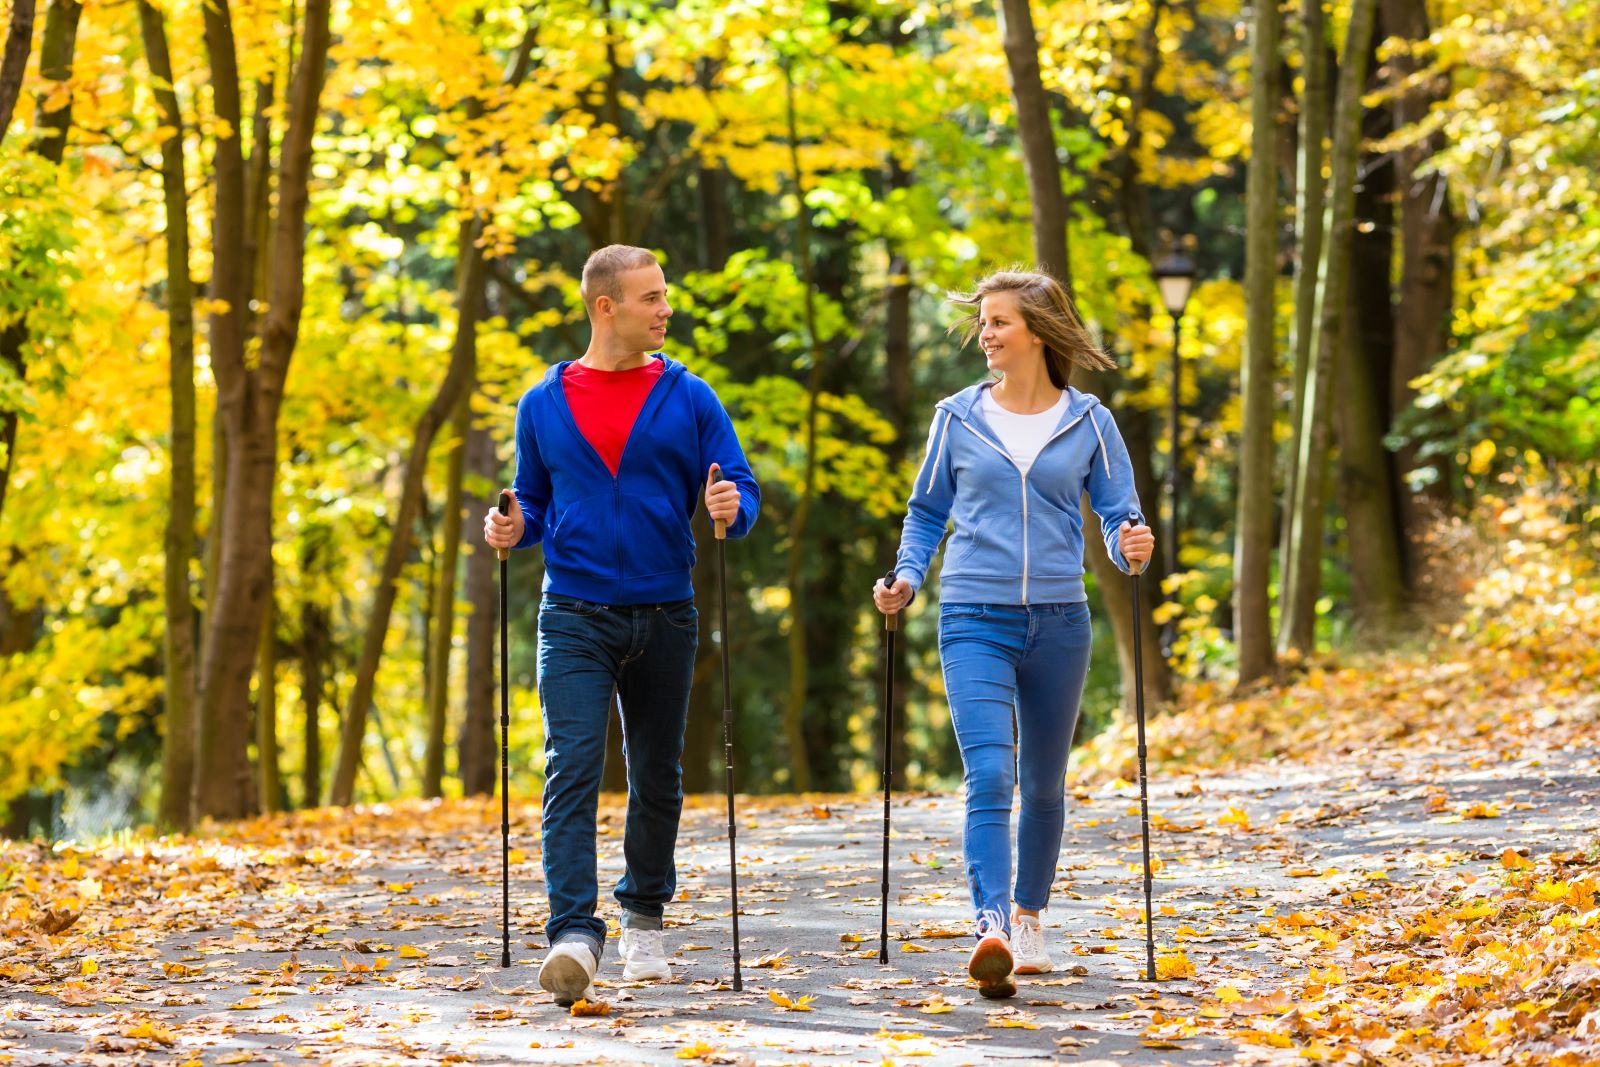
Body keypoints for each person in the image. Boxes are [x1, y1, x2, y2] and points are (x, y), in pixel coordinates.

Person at [484, 244, 760, 1007]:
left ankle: (643, 913)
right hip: (572, 610)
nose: (665, 308)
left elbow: (738, 482)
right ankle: (574, 931)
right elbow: (533, 501)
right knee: (570, 765)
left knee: (657, 772)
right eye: (650, 298)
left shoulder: (691, 395)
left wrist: (731, 508)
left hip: (666, 609)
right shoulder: (543, 402)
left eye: (663, 295)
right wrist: (512, 527)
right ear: (606, 307)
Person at [873, 269, 1154, 1000]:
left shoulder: (1089, 419)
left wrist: (1133, 540)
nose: (985, 334)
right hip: (973, 614)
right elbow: (927, 510)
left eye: (998, 322)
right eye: (984, 322)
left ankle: (1030, 917)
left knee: (1045, 784)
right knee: (992, 774)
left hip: (1061, 619)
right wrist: (906, 575)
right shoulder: (957, 417)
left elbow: (1120, 508)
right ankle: (990, 923)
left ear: (1036, 330)